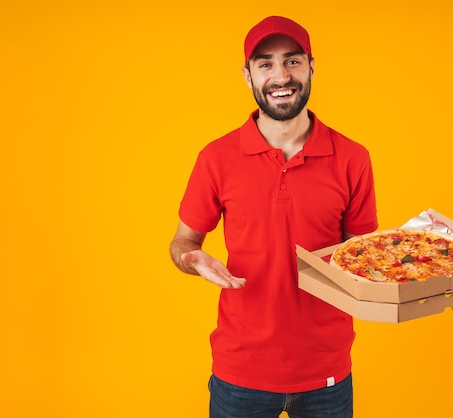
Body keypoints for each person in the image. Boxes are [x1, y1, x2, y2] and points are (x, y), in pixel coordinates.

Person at [169, 15, 378, 418]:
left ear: (312, 67)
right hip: (239, 371)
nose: (281, 76)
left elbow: (364, 257)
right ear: (247, 76)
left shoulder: (354, 158)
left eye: (292, 61)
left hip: (327, 370)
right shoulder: (216, 158)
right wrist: (190, 259)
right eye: (265, 64)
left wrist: (414, 272)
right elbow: (183, 241)